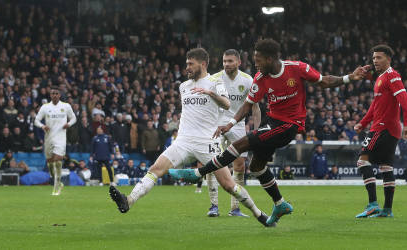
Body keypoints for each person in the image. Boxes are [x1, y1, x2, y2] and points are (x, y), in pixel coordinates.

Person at [169, 39, 367, 224]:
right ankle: (280, 204)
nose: (256, 64)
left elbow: (324, 81)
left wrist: (350, 77)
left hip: (290, 124)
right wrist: (230, 123)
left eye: (258, 60)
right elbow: (248, 105)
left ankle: (198, 173)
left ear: (270, 59)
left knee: (241, 143)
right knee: (256, 166)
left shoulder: (296, 68)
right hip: (272, 121)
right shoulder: (261, 77)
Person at [109, 48, 274, 227]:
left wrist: (210, 93)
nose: (186, 68)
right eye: (186, 64)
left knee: (228, 184)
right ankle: (129, 200)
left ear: (202, 64)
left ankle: (258, 213)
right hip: (183, 141)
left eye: (190, 64)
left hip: (207, 143)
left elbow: (227, 104)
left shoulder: (215, 82)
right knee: (155, 169)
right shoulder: (184, 86)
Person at [353, 45, 407, 218]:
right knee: (386, 167)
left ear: (388, 59)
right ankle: (387, 209)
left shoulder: (392, 75)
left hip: (382, 127)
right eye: (373, 58)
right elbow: (376, 105)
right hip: (388, 128)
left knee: (362, 161)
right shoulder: (380, 78)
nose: (375, 61)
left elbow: (404, 98)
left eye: (379, 57)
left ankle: (372, 204)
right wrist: (363, 122)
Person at [205, 49, 261, 218]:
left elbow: (255, 107)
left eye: (230, 61)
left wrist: (257, 132)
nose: (226, 64)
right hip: (217, 124)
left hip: (237, 126)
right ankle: (213, 206)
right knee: (212, 163)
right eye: (224, 61)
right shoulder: (214, 79)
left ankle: (235, 208)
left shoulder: (247, 80)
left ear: (238, 62)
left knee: (239, 166)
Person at [34, 86, 77, 196]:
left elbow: (73, 118)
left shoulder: (66, 106)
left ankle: (56, 186)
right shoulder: (45, 107)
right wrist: (43, 126)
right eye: (53, 93)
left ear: (60, 95)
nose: (55, 95)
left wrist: (69, 124)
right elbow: (36, 120)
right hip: (49, 138)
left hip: (61, 138)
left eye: (57, 93)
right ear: (50, 95)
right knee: (50, 164)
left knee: (58, 161)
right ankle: (57, 181)